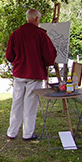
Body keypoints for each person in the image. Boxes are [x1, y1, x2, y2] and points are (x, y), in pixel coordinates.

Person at [5, 9, 57, 141]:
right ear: (36, 18)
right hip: (34, 73)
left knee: (17, 102)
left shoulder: (16, 34)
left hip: (19, 73)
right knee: (30, 104)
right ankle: (27, 134)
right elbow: (50, 56)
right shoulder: (41, 35)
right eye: (39, 18)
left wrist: (18, 61)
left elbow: (9, 56)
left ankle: (12, 132)